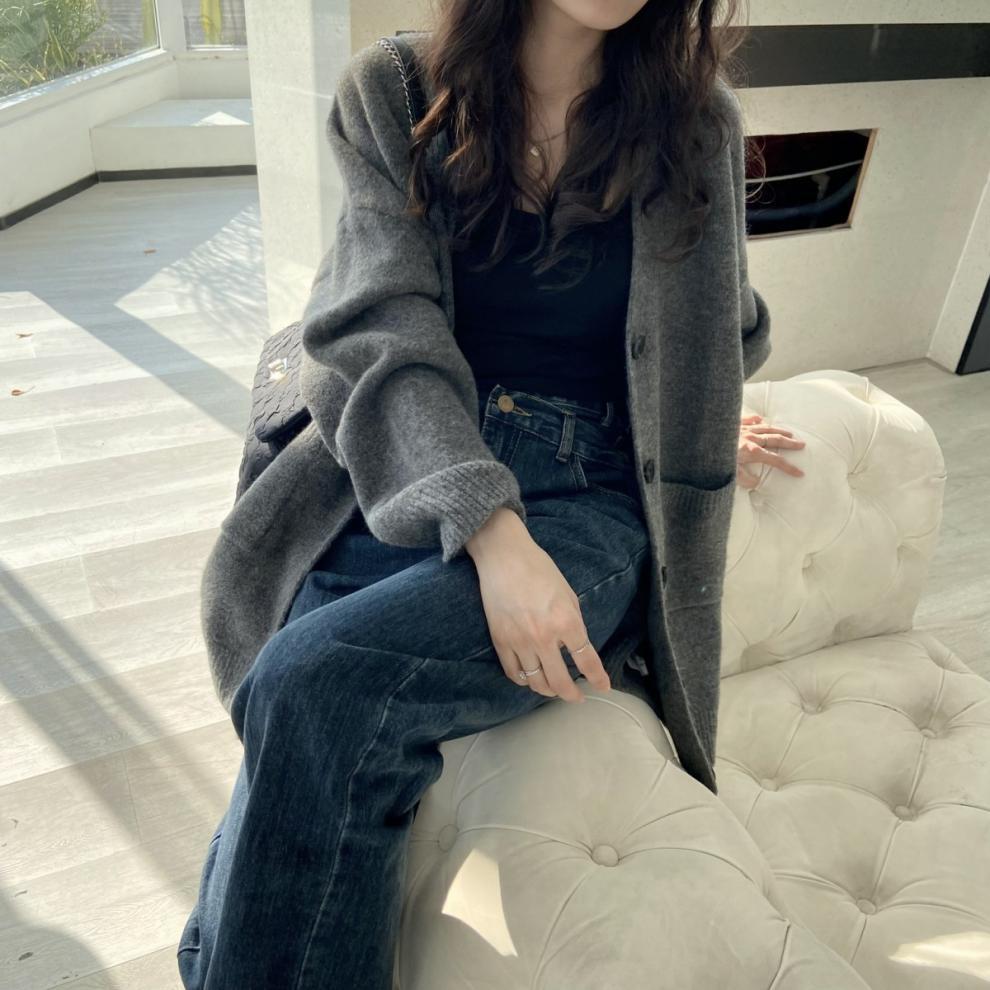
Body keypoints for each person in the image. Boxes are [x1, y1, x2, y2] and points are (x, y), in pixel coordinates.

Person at [177, 2, 806, 988]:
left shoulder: (694, 122)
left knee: (313, 679)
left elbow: (722, 322)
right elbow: (379, 323)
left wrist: (689, 409)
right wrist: (489, 529)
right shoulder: (396, 90)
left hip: (588, 492)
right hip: (412, 463)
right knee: (291, 683)